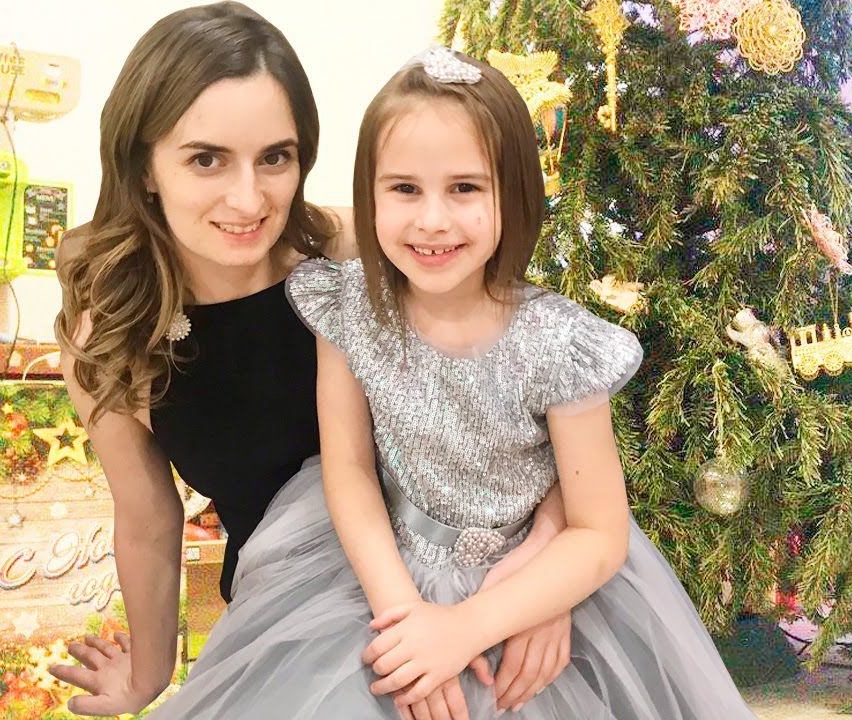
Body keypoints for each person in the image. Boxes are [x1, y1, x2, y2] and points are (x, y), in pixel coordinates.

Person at [49, 5, 568, 717]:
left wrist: (545, 579)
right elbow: (146, 519)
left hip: (480, 613)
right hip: (290, 636)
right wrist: (147, 673)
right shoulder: (109, 334)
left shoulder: (362, 254)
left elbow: (537, 395)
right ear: (143, 167)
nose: (248, 199)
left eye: (276, 157)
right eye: (206, 159)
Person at [277, 47, 757, 719]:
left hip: (527, 580)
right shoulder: (349, 307)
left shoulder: (559, 343)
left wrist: (463, 630)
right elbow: (349, 466)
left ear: (515, 192)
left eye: (465, 188)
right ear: (370, 192)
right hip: (380, 569)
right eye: (404, 188)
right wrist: (405, 622)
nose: (432, 220)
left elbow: (598, 532)